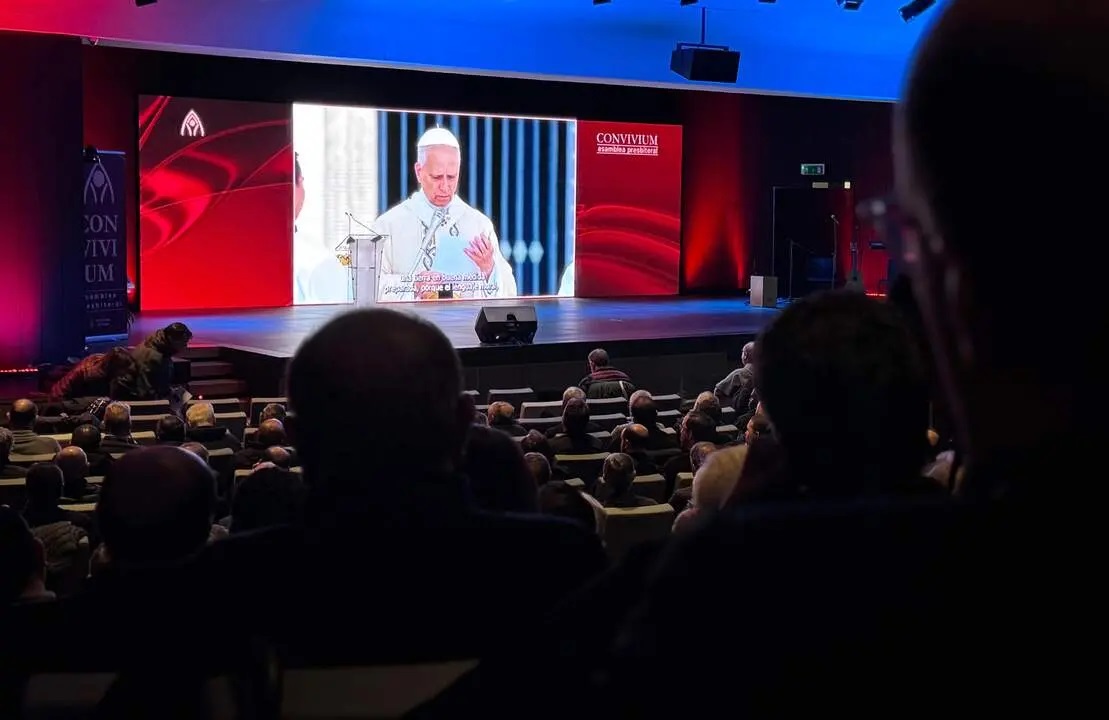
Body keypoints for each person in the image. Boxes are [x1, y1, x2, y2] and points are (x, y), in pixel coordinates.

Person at [369, 127, 517, 301]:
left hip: (464, 319)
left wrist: (489, 269)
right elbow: (367, 287)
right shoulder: (388, 225)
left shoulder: (479, 225)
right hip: (409, 320)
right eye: (437, 177)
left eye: (452, 177)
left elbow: (510, 292)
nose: (445, 187)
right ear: (419, 172)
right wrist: (413, 284)